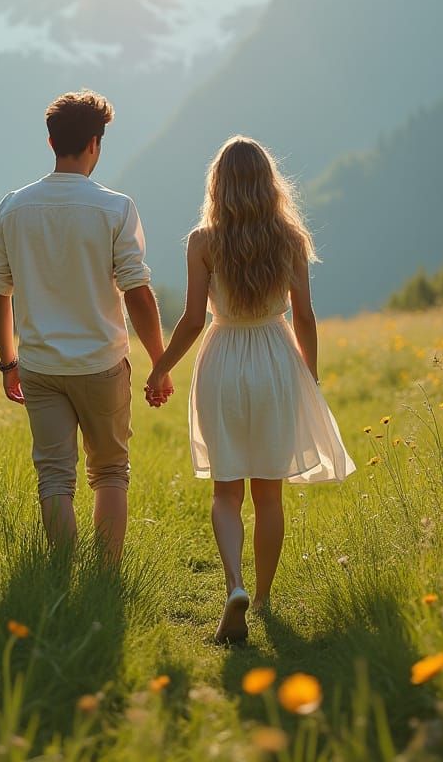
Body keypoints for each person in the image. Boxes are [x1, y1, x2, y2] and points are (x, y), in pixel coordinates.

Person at [145, 136, 354, 643]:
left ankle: (233, 584)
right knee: (269, 492)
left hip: (224, 359)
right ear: (269, 183)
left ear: (217, 185)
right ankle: (261, 598)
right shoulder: (290, 238)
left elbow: (194, 321)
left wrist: (159, 368)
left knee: (226, 489)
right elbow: (303, 315)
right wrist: (312, 373)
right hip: (276, 359)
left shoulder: (203, 241)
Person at [0, 90, 170, 563]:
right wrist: (160, 363)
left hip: (41, 366)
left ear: (51, 143)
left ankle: (62, 573)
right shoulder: (115, 208)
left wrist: (9, 362)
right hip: (101, 363)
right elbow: (137, 292)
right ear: (95, 144)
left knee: (54, 476)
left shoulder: (12, 207)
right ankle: (104, 577)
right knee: (109, 471)